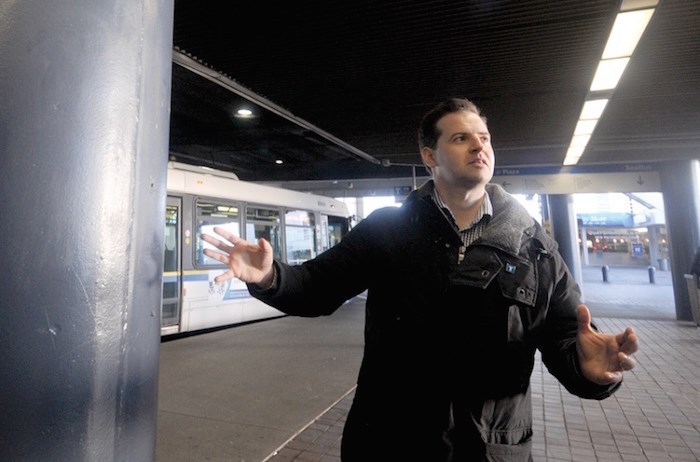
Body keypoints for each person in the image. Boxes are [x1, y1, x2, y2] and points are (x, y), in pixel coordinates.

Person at [200, 97, 639, 461]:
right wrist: (269, 276)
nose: (478, 147)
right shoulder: (387, 230)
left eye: (484, 138)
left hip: (489, 449)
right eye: (461, 137)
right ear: (430, 156)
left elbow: (563, 334)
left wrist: (589, 370)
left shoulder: (533, 244)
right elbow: (317, 287)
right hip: (390, 443)